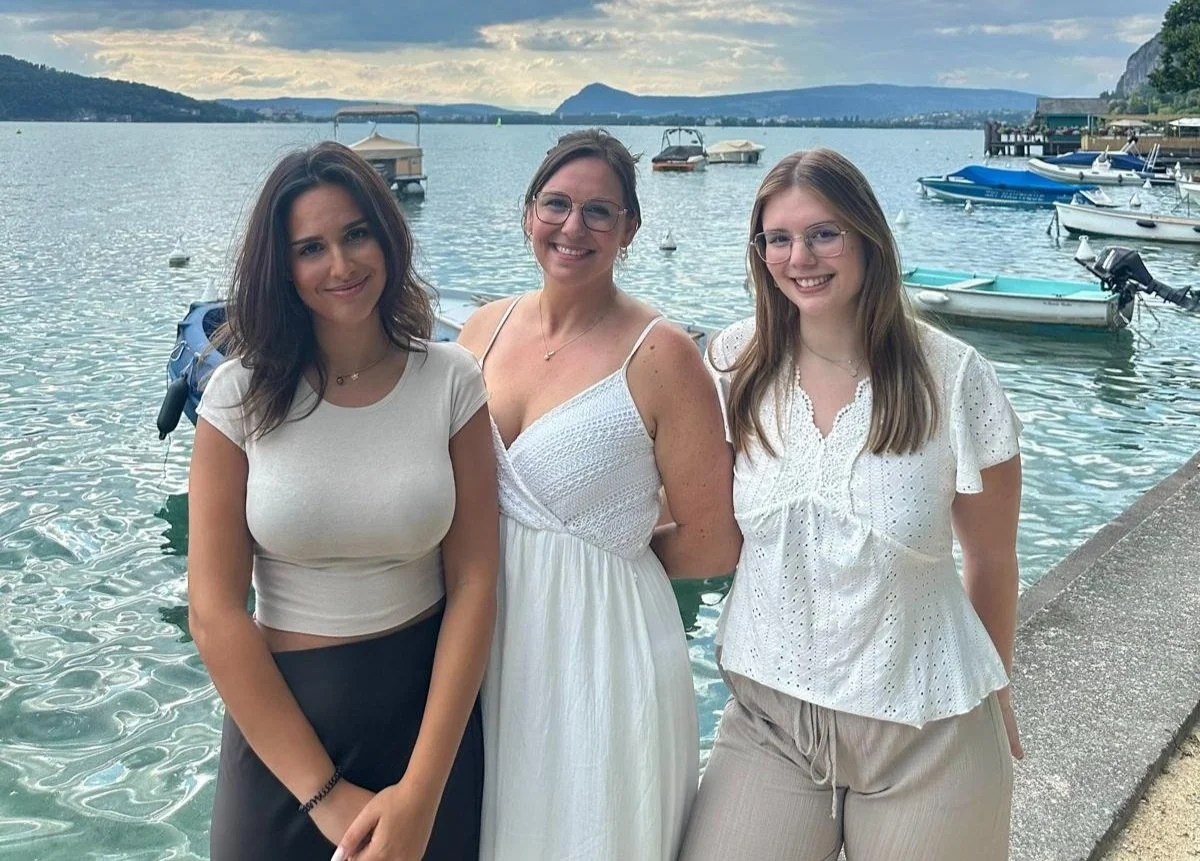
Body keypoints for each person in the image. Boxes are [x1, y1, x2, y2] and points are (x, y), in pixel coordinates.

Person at [679, 148, 1023, 861]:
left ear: (868, 236)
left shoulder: (954, 379)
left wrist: (999, 688)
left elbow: (991, 556)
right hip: (772, 723)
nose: (799, 256)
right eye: (779, 238)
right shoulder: (732, 366)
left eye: (823, 233)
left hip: (927, 730)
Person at [187, 141, 498, 861]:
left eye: (357, 233)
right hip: (281, 736)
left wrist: (420, 793)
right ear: (282, 266)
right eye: (311, 247)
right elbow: (213, 611)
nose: (341, 264)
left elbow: (476, 582)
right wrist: (328, 800)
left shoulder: (451, 381)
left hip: (427, 728)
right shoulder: (237, 394)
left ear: (387, 236)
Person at [456, 128, 742, 861]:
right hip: (483, 639)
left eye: (599, 212)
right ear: (527, 215)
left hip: (603, 645)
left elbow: (712, 539)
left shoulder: (663, 354)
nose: (572, 227)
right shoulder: (482, 329)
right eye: (556, 204)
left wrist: (600, 556)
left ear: (630, 230)